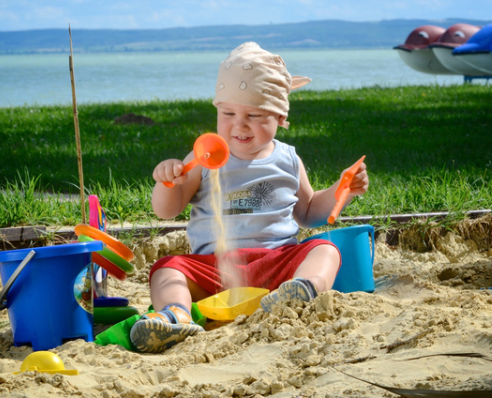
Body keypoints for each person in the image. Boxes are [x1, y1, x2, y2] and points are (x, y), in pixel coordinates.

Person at [130, 42, 369, 353]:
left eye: (254, 115)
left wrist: (342, 191)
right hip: (214, 268)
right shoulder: (202, 158)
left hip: (277, 263)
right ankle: (176, 313)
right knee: (167, 267)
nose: (239, 125)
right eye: (228, 112)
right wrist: (167, 182)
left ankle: (302, 290)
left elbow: (309, 213)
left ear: (281, 117)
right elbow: (166, 211)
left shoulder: (287, 160)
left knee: (325, 249)